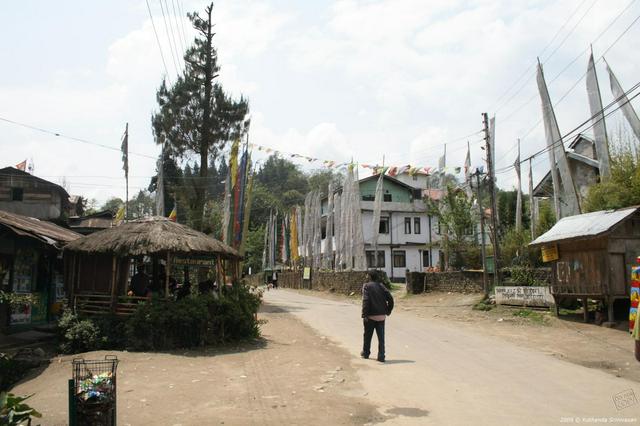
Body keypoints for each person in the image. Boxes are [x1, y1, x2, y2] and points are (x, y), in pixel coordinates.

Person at [361, 269, 394, 362]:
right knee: (381, 337)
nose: (366, 277)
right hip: (381, 316)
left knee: (367, 335)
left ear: (370, 277)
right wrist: (388, 311)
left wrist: (364, 314)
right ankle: (381, 356)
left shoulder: (366, 286)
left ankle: (366, 353)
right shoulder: (381, 286)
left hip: (370, 316)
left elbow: (366, 300)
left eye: (367, 275)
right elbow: (390, 298)